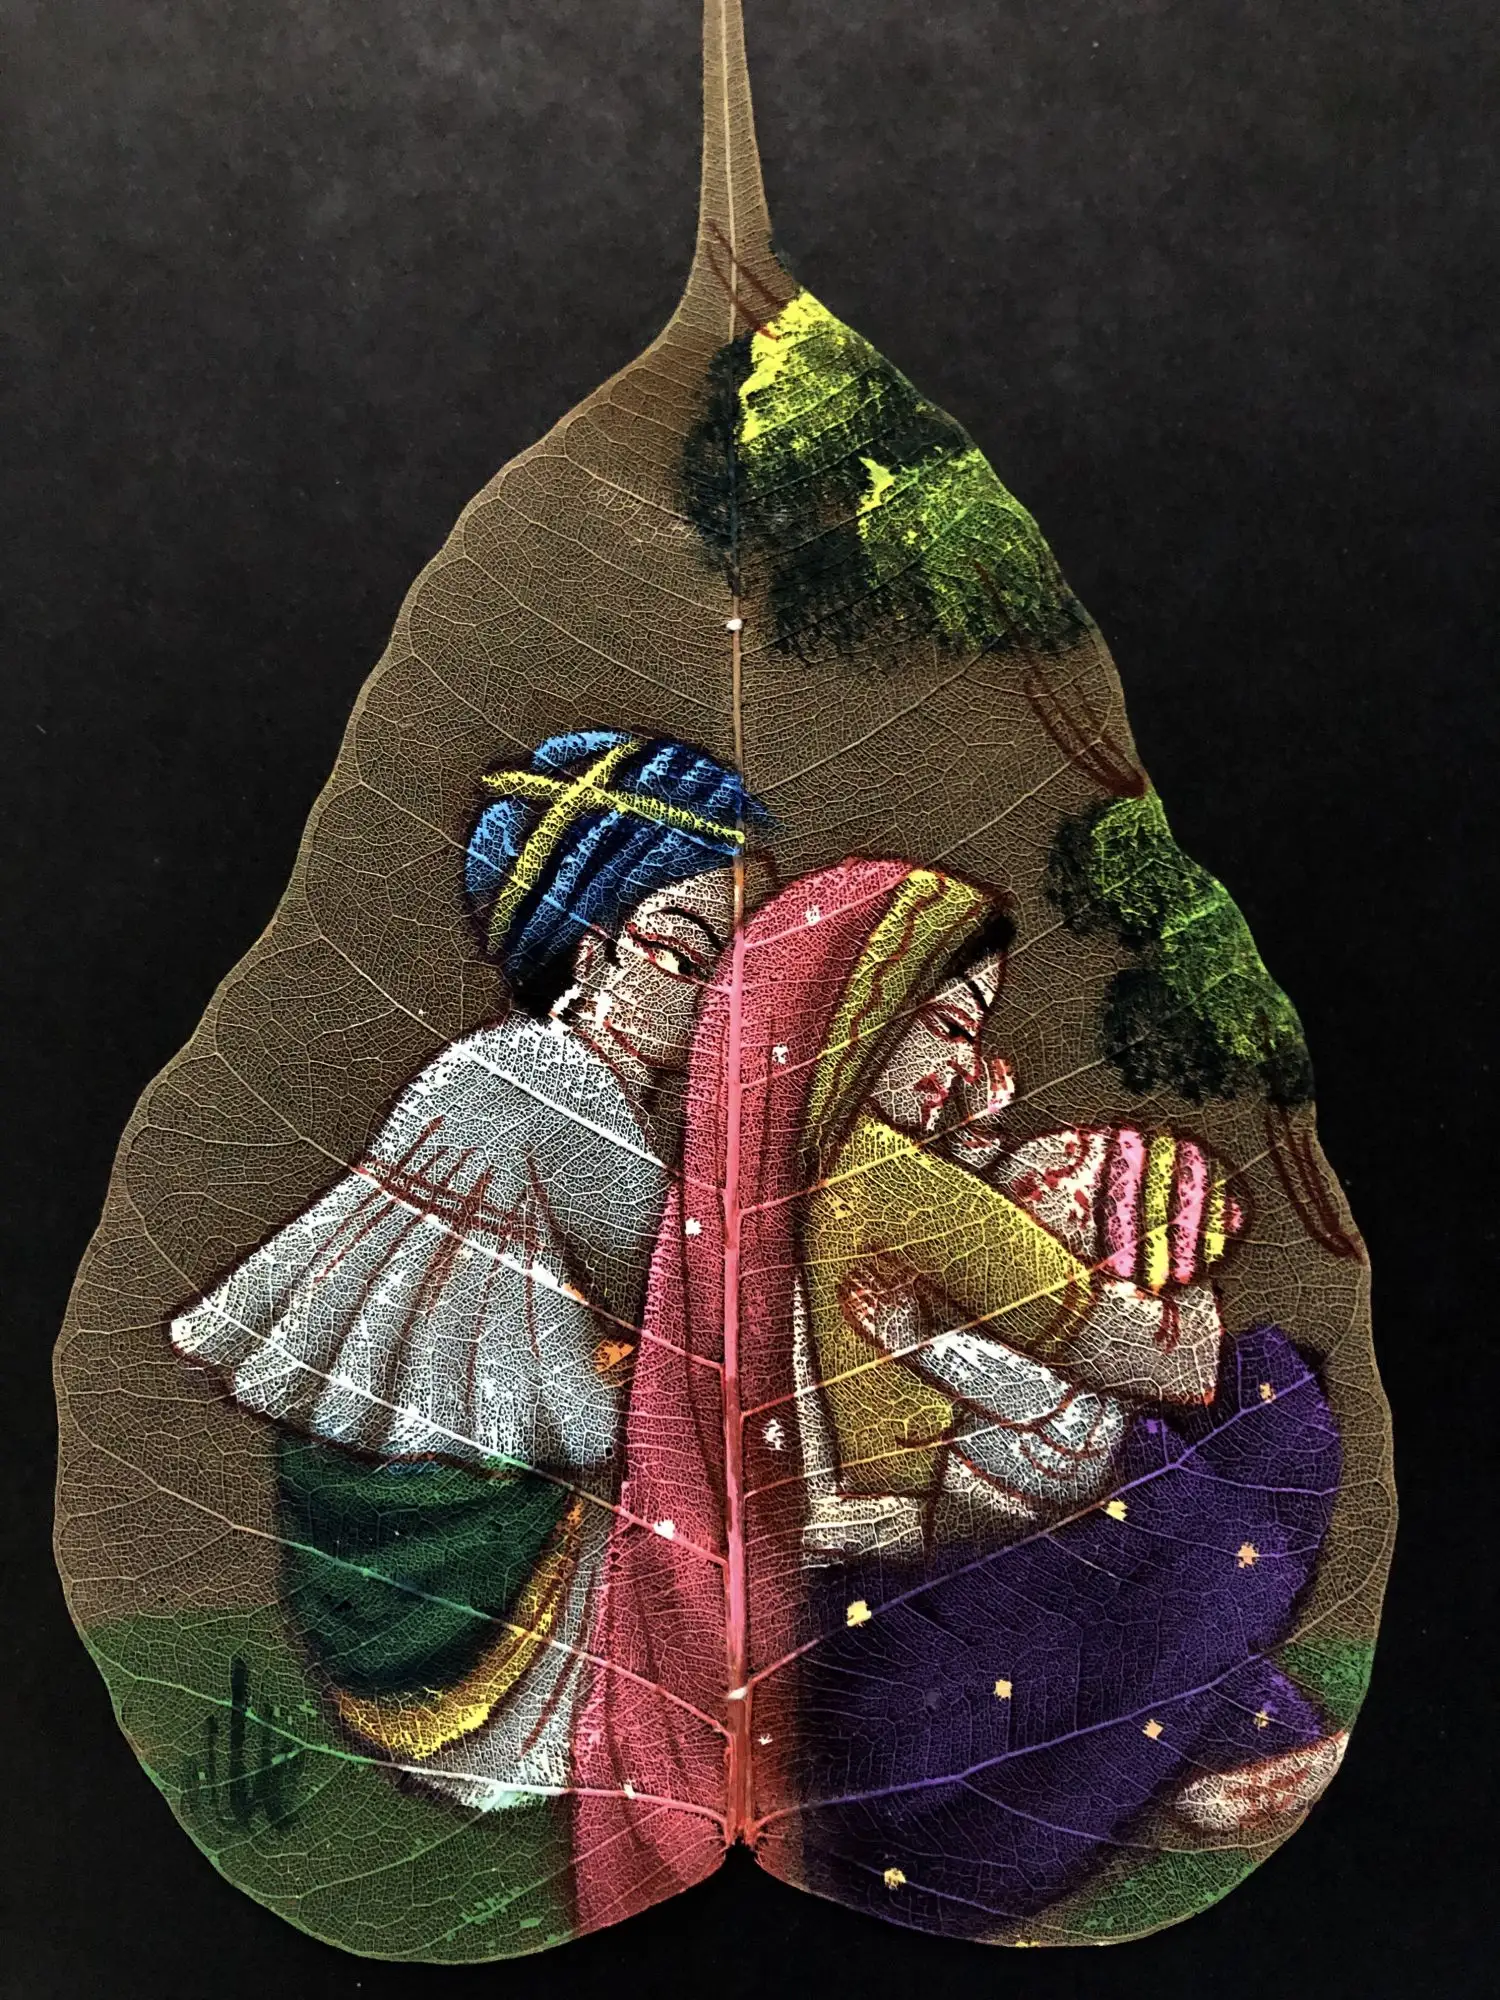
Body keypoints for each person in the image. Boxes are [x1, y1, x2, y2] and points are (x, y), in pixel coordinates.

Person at [575, 855, 1346, 1936]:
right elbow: (1169, 1363)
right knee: (1263, 1420)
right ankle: (1219, 1716)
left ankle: (1210, 1718)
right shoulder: (888, 1178)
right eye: (943, 1027)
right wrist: (1172, 1322)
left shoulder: (742, 1169)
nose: (962, 1064)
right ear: (858, 1018)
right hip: (874, 1632)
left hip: (797, 1640)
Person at [170, 730, 769, 1812]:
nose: (719, 1001)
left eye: (745, 972)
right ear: (589, 954)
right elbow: (680, 1278)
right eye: (687, 958)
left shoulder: (543, 1073)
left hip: (445, 1498)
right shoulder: (544, 1079)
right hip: (454, 1540)